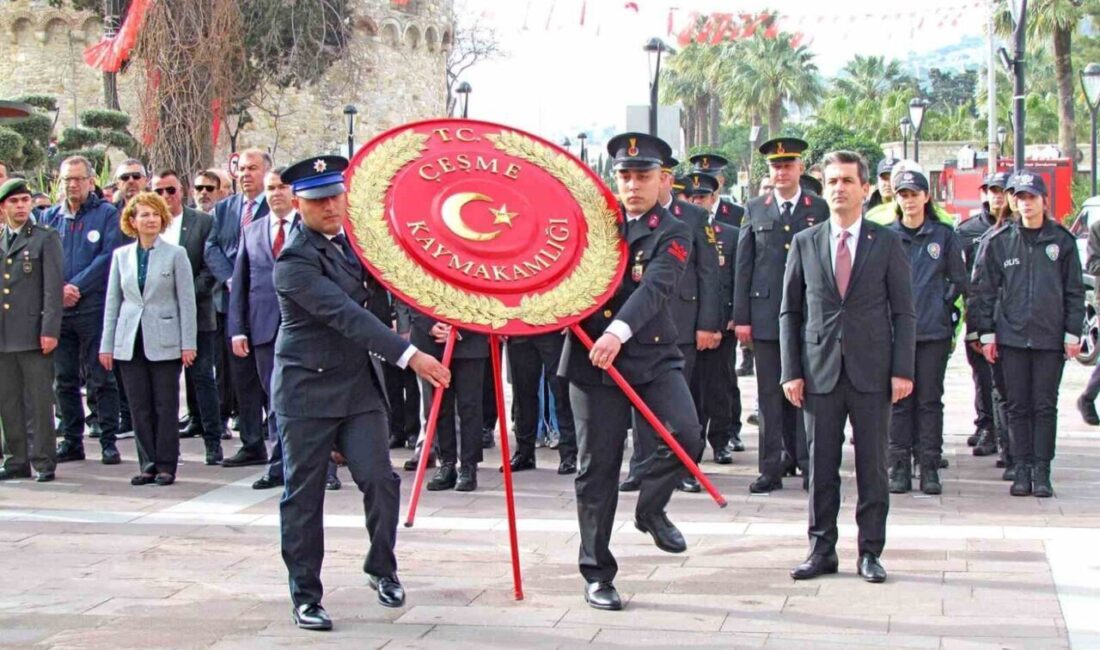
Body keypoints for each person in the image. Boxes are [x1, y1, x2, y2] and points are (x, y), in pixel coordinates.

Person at [271, 155, 449, 629]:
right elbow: (349, 316)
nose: (331, 207)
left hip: (356, 387)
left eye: (336, 196)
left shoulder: (358, 245)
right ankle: (306, 595)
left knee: (380, 479)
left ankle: (381, 566)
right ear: (298, 203)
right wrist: (411, 355)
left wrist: (448, 308)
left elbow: (402, 280)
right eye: (318, 200)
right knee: (304, 497)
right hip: (306, 389)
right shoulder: (294, 260)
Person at [560, 132, 704, 611]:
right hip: (590, 359)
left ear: (664, 179)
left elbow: (657, 288)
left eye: (643, 175)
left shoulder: (675, 228)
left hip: (649, 353)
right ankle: (597, 572)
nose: (633, 184)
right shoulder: (591, 224)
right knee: (596, 470)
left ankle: (650, 507)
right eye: (625, 175)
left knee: (685, 435)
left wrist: (618, 332)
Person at [780, 150, 915, 584]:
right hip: (819, 372)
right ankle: (821, 549)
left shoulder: (887, 242)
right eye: (832, 181)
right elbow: (790, 313)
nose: (838, 188)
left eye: (847, 181)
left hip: (872, 371)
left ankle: (870, 551)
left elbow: (904, 312)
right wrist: (790, 370)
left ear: (865, 189)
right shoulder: (806, 241)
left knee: (872, 465)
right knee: (820, 467)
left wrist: (902, 369)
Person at [971, 171, 1083, 498]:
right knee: (1017, 405)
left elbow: (1074, 290)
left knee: (1045, 406)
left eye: (1031, 197)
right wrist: (987, 335)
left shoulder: (1061, 241)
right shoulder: (1000, 240)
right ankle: (1020, 468)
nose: (1026, 204)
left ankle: (1042, 470)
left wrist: (1072, 333)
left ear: (1043, 201)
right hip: (1012, 338)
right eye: (1019, 197)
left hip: (1049, 339)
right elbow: (983, 291)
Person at [230, 168, 342, 491]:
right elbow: (241, 283)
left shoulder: (310, 229)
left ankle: (326, 470)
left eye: (281, 187)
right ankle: (279, 465)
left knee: (316, 400)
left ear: (294, 195)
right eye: (270, 188)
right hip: (265, 329)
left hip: (307, 329)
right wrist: (238, 329)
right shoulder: (251, 232)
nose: (276, 193)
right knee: (276, 401)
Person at [733, 137, 829, 493]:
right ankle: (770, 467)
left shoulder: (818, 208)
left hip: (807, 315)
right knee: (769, 394)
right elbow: (744, 265)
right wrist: (741, 317)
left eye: (788, 165)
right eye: (776, 167)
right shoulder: (756, 207)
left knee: (808, 391)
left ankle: (807, 463)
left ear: (800, 168)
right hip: (766, 314)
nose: (782, 172)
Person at [622, 155, 720, 494]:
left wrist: (708, 323)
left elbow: (709, 270)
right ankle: (642, 464)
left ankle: (683, 467)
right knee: (641, 399)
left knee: (683, 401)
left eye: (650, 175)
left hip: (681, 319)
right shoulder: (624, 217)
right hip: (637, 324)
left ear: (665, 179)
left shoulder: (691, 216)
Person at [100, 192, 197, 487]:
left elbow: (187, 301)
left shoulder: (176, 254)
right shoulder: (121, 256)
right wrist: (107, 344)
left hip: (165, 338)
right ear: (132, 221)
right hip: (130, 340)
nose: (151, 219)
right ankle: (148, 463)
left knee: (165, 405)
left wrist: (188, 342)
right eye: (144, 214)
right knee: (138, 405)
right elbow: (113, 302)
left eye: (155, 214)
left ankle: (167, 464)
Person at [885, 170, 968, 495]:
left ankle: (930, 466)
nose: (909, 200)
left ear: (926, 196)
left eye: (914, 193)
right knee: (899, 402)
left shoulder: (943, 235)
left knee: (930, 402)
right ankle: (899, 466)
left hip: (932, 332)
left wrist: (939, 302)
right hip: (894, 334)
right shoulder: (886, 235)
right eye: (903, 194)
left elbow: (958, 279)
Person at [40, 155, 126, 465]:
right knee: (63, 379)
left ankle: (107, 440)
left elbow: (109, 256)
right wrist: (59, 290)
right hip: (59, 311)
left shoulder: (106, 214)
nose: (72, 185)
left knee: (101, 378)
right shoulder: (50, 217)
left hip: (93, 308)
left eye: (78, 179)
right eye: (67, 180)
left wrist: (76, 286)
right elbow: (42, 259)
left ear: (90, 181)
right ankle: (72, 440)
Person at [151, 170, 223, 465]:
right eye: (159, 192)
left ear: (181, 191)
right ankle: (166, 446)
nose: (165, 197)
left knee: (202, 376)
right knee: (165, 382)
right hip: (160, 318)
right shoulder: (148, 223)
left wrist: (184, 295)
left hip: (197, 312)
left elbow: (211, 268)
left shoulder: (202, 222)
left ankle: (213, 441)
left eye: (170, 190)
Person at [205, 148, 271, 467]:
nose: (246, 174)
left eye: (253, 168)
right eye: (242, 169)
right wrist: (231, 278)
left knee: (273, 379)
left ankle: (283, 444)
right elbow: (212, 246)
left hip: (268, 304)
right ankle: (252, 442)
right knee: (242, 377)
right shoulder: (225, 209)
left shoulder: (276, 208)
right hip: (233, 304)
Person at [0, 178, 63, 482]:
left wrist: (49, 329)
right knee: (8, 400)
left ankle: (43, 460)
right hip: (4, 335)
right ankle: (16, 459)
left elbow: (52, 288)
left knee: (39, 401)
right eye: (14, 202)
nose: (21, 206)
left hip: (34, 333)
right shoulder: (1, 239)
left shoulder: (44, 237)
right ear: (3, 208)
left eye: (25, 200)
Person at [683, 171, 742, 464]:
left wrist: (730, 317)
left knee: (720, 387)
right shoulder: (678, 232)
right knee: (692, 390)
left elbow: (733, 279)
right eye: (692, 196)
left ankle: (721, 440)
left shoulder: (729, 234)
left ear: (713, 198)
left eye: (703, 197)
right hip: (688, 325)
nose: (697, 201)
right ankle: (692, 445)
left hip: (722, 324)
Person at [957, 172, 1010, 452]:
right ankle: (986, 424)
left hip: (1011, 315)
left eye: (1002, 190)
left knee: (1007, 380)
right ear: (984, 194)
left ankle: (1007, 435)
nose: (997, 195)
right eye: (992, 190)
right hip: (978, 310)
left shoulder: (1019, 228)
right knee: (982, 374)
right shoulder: (968, 231)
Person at [409, 312, 487, 492]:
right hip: (432, 343)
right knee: (439, 407)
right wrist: (430, 325)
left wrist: (460, 329)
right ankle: (446, 463)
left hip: (470, 337)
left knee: (470, 406)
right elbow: (413, 293)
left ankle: (469, 466)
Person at [505, 328, 578, 475]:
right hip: (520, 326)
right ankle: (524, 453)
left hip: (553, 325)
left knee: (561, 392)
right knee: (522, 393)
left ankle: (569, 455)